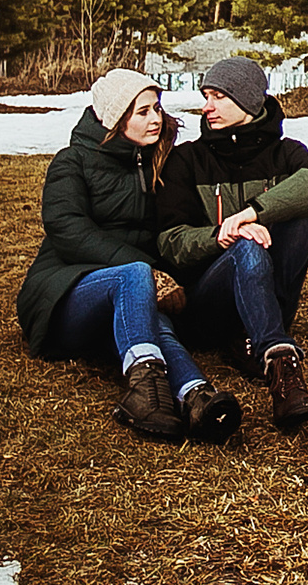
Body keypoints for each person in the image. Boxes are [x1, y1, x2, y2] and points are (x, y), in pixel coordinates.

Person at [17, 69, 243, 443]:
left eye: (157, 108)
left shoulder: (163, 161)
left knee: (155, 321)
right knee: (134, 274)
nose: (156, 118)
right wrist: (151, 272)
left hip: (133, 298)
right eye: (143, 112)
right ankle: (144, 394)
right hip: (66, 296)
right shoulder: (72, 162)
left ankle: (195, 396)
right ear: (115, 117)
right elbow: (67, 228)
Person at [157, 56, 308, 430]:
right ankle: (281, 363)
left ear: (249, 100)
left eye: (219, 96)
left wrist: (252, 213)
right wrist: (221, 235)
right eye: (206, 96)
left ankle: (258, 343)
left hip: (271, 294)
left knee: (303, 206)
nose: (207, 107)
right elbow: (171, 242)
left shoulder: (285, 153)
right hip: (209, 303)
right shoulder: (187, 160)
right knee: (246, 245)